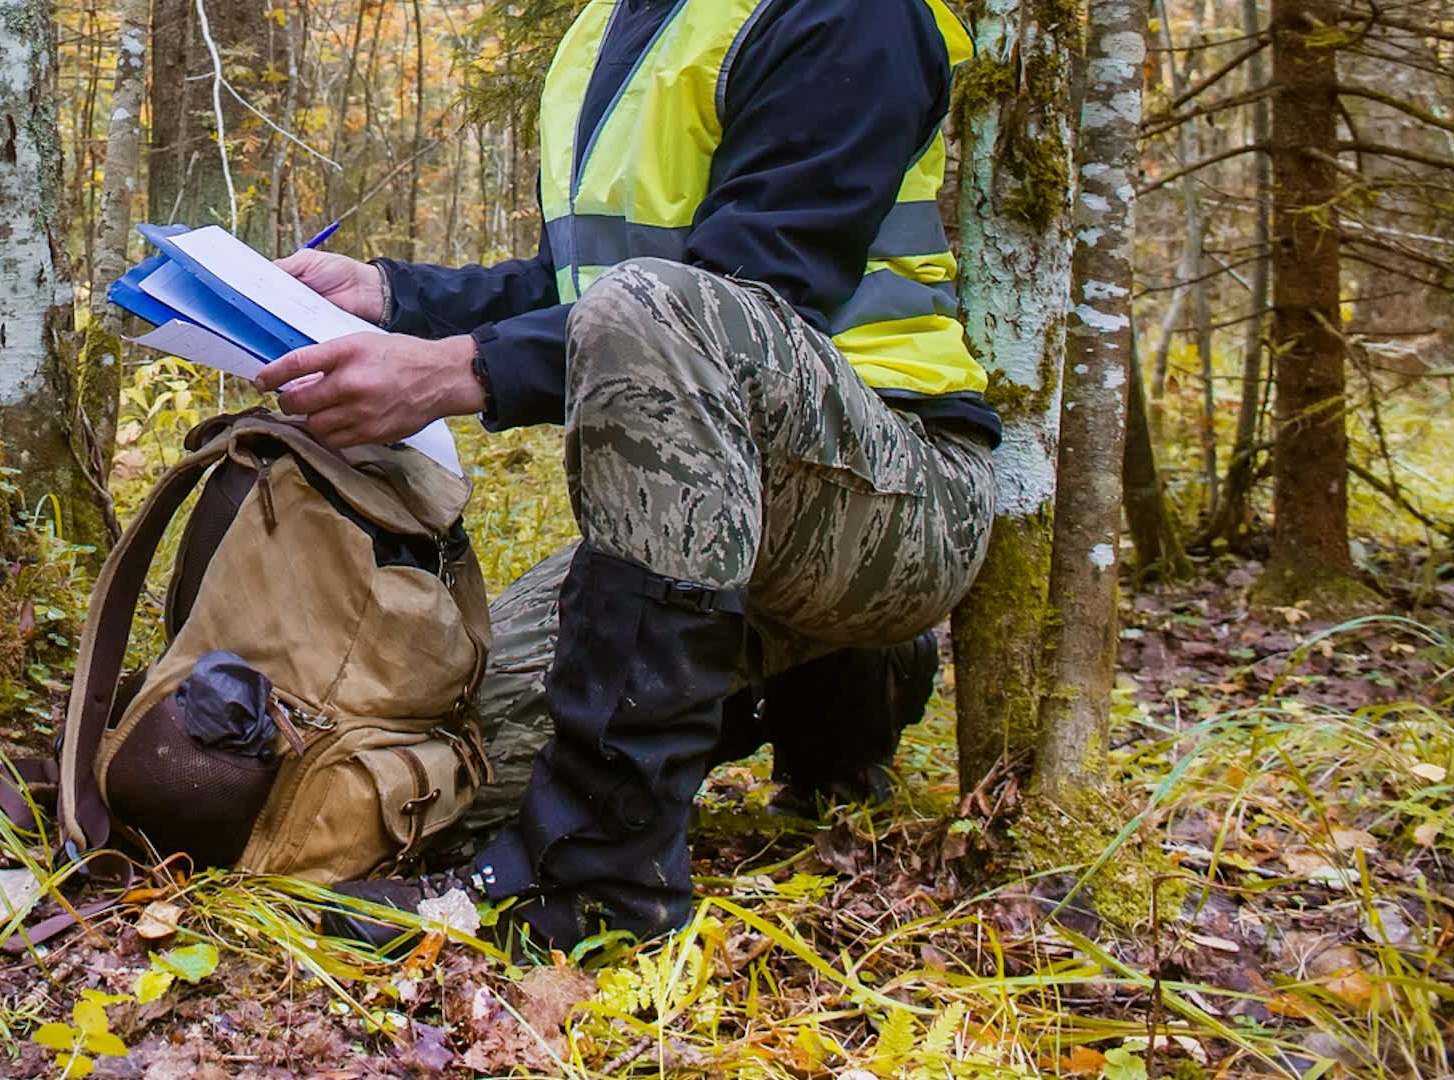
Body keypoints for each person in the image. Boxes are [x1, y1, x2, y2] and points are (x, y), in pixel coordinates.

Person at [254, 0, 999, 951]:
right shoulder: (607, 31)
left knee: (652, 309)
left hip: (897, 492)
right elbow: (580, 285)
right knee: (455, 739)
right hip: (706, 519)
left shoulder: (846, 13)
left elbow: (736, 288)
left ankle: (603, 879)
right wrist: (398, 299)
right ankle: (831, 674)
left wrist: (453, 374)